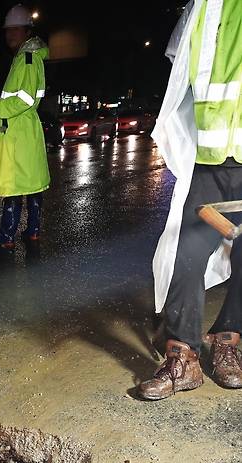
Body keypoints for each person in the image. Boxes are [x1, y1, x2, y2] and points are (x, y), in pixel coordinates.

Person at [140, 0, 242, 400]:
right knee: (187, 255)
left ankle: (227, 341)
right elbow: (181, 65)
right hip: (211, 161)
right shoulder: (205, 6)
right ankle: (183, 357)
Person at [0, 4, 50, 249]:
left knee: (14, 183)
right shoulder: (24, 57)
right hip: (21, 129)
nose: (9, 34)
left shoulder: (28, 59)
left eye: (15, 29)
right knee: (29, 183)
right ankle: (32, 230)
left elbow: (26, 99)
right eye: (7, 30)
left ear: (27, 31)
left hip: (20, 130)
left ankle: (8, 235)